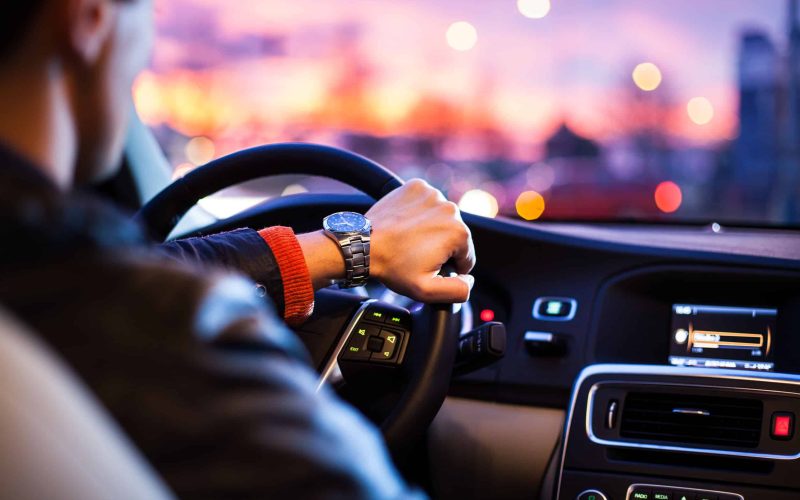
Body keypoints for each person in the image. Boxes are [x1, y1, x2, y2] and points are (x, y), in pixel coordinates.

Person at [0, 0, 476, 498]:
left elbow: (142, 268)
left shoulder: (46, 277)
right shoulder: (168, 329)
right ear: (90, 17)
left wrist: (349, 248)